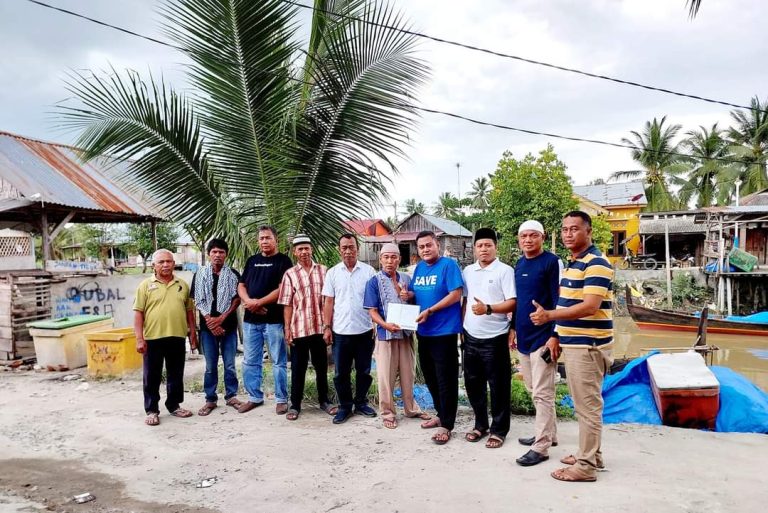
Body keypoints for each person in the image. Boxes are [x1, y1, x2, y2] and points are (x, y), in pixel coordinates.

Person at [531, 211, 614, 482]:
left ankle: (586, 466)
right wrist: (556, 334)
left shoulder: (597, 263)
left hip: (588, 346)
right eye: (565, 229)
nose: (568, 234)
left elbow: (590, 306)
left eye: (574, 229)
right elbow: (567, 302)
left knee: (587, 408)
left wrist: (549, 316)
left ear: (588, 231)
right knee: (586, 405)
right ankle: (591, 454)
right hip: (574, 343)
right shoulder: (573, 264)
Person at [512, 220, 563, 467]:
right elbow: (519, 301)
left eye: (533, 236)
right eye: (524, 236)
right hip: (523, 336)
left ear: (542, 237)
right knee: (533, 389)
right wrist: (512, 329)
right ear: (519, 239)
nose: (528, 240)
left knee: (543, 393)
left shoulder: (551, 262)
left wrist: (555, 335)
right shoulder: (519, 264)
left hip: (544, 337)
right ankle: (549, 434)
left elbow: (559, 300)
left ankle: (541, 446)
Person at [363, 243, 430, 429]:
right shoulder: (374, 281)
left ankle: (411, 408)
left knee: (408, 374)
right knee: (386, 376)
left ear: (400, 259)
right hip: (386, 335)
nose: (390, 261)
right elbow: (372, 310)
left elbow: (416, 301)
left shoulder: (407, 278)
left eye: (394, 257)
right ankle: (387, 412)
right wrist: (385, 325)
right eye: (386, 257)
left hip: (406, 334)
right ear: (381, 259)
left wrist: (409, 295)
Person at [462, 228, 516, 449]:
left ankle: (499, 430)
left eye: (488, 245)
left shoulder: (505, 271)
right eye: (479, 246)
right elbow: (464, 301)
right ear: (474, 249)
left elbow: (513, 302)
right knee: (473, 384)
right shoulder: (468, 271)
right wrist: (460, 327)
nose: (483, 249)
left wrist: (488, 309)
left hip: (495, 337)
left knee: (499, 386)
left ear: (496, 247)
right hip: (470, 336)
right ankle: (480, 424)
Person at [411, 230, 464, 445]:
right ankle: (441, 414)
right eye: (421, 246)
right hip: (424, 332)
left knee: (446, 379)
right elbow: (417, 293)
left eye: (428, 245)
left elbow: (456, 294)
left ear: (437, 246)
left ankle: (447, 424)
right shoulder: (419, 268)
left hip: (445, 331)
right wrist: (408, 296)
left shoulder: (449, 266)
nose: (425, 249)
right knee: (430, 376)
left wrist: (431, 310)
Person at [134, 249, 197, 426]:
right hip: (153, 338)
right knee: (151, 375)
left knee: (176, 373)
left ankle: (174, 405)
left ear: (173, 263)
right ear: (154, 265)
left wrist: (193, 332)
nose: (166, 265)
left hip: (177, 336)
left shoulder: (182, 285)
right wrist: (139, 338)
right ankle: (152, 410)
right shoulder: (145, 286)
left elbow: (189, 311)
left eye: (169, 261)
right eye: (161, 262)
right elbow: (138, 313)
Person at [277, 234, 337, 421]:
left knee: (321, 367)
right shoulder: (290, 274)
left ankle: (324, 401)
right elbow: (287, 304)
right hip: (299, 328)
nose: (304, 252)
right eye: (300, 249)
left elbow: (329, 300)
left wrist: (329, 327)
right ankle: (295, 405)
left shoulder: (324, 271)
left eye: (306, 248)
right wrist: (287, 329)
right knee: (298, 368)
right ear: (295, 252)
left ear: (312, 249)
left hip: (320, 328)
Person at [237, 226, 293, 415]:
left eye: (268, 238)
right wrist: (248, 302)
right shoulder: (252, 261)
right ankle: (254, 397)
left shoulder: (284, 261)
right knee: (250, 361)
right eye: (261, 238)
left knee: (278, 361)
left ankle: (281, 399)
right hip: (251, 321)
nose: (264, 241)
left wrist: (259, 302)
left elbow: (282, 288)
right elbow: (241, 285)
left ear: (276, 239)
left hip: (274, 321)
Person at [322, 234, 377, 424]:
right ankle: (345, 406)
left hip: (364, 331)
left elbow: (375, 301)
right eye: (344, 247)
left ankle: (361, 402)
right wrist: (327, 327)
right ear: (339, 250)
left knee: (364, 371)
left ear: (357, 248)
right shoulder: (332, 273)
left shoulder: (369, 272)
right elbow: (328, 301)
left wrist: (376, 324)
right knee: (340, 373)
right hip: (341, 332)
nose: (348, 251)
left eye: (351, 247)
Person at [192, 239, 243, 416]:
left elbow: (237, 299)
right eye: (214, 252)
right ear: (209, 254)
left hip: (228, 328)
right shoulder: (199, 275)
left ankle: (231, 396)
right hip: (207, 329)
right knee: (210, 366)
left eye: (221, 252)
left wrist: (221, 318)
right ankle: (210, 399)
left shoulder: (233, 274)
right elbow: (198, 300)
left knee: (230, 365)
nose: (217, 255)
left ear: (226, 255)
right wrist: (210, 322)